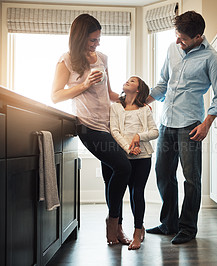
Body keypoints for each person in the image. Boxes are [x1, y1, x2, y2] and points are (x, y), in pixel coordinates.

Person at [145, 10, 217, 244]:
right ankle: (168, 223)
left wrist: (207, 124)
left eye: (183, 38)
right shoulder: (173, 49)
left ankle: (188, 228)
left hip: (191, 125)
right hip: (166, 123)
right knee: (163, 173)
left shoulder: (212, 58)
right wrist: (140, 102)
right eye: (176, 35)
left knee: (191, 178)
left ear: (198, 36)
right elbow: (162, 84)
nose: (177, 41)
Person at [51, 13, 131, 245]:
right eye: (92, 40)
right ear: (79, 38)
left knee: (111, 177)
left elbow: (109, 94)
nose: (96, 44)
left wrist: (134, 99)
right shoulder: (66, 60)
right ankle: (112, 223)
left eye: (98, 40)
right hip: (87, 126)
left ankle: (117, 228)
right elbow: (55, 96)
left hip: (109, 126)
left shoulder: (102, 58)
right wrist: (85, 84)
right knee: (123, 167)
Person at [110, 76, 159, 250]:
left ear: (138, 89)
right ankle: (118, 228)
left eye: (132, 81)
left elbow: (154, 132)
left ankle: (137, 232)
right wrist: (128, 148)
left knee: (137, 193)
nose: (127, 81)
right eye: (127, 80)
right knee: (121, 192)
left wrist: (139, 136)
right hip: (123, 156)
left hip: (143, 157)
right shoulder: (115, 107)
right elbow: (114, 130)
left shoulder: (145, 109)